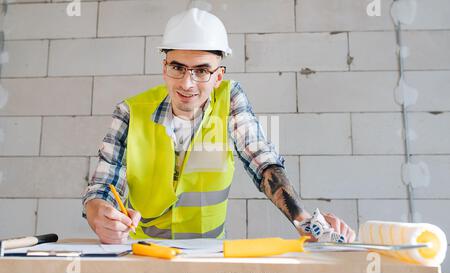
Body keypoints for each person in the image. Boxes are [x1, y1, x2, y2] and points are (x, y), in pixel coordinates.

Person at [81, 8, 356, 244]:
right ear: (165, 68)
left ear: (218, 76)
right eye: (178, 68)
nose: (187, 84)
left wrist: (304, 221)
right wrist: (99, 214)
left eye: (201, 71)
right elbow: (103, 185)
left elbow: (262, 160)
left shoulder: (230, 99)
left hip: (208, 258)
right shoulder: (130, 111)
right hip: (143, 255)